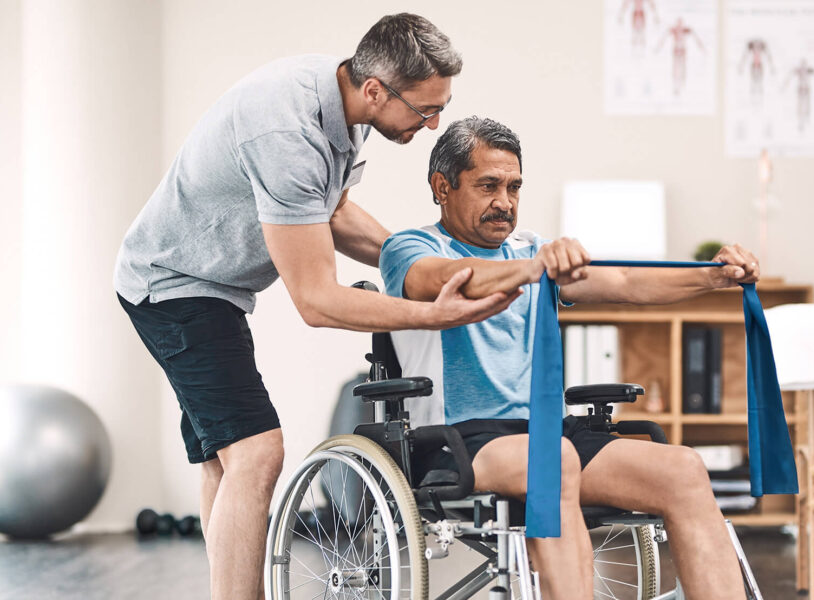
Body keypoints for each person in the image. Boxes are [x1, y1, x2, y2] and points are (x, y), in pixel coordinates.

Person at [114, 15, 518, 600]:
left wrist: (414, 259)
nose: (432, 126)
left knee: (227, 461)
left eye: (441, 109)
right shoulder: (284, 131)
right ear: (377, 89)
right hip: (175, 285)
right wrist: (434, 314)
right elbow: (317, 301)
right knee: (257, 452)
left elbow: (329, 212)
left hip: (214, 288)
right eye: (424, 111)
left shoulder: (346, 108)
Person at [380, 116, 760, 599]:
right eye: (488, 186)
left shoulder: (529, 248)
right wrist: (533, 268)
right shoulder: (410, 247)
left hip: (547, 432)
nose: (505, 202)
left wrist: (713, 277)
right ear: (442, 186)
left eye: (514, 187)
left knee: (682, 469)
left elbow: (622, 281)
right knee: (553, 460)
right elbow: (446, 279)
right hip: (458, 439)